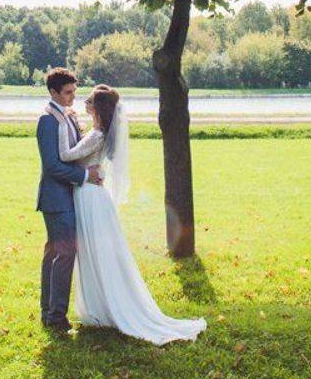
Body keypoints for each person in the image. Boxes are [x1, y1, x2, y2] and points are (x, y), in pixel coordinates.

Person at [57, 82, 207, 344]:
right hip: (91, 194)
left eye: (90, 101)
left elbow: (65, 155)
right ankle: (100, 305)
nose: (85, 103)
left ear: (99, 108)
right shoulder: (98, 133)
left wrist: (61, 124)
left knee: (97, 252)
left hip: (90, 197)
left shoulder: (97, 135)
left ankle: (106, 306)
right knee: (95, 252)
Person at [36, 67, 99, 332]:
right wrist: (85, 175)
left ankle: (49, 313)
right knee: (63, 254)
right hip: (56, 199)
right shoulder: (48, 121)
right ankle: (55, 317)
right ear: (53, 92)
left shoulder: (68, 116)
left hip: (68, 197)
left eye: (74, 92)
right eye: (67, 93)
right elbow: (52, 166)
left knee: (56, 253)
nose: (73, 97)